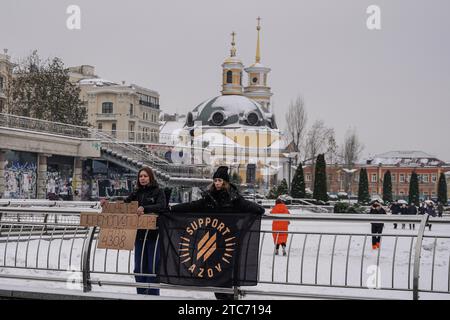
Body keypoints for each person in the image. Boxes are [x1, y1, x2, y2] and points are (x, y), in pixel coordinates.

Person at [170, 166, 265, 300]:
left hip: (229, 241)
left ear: (225, 182)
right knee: (214, 273)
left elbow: (247, 205)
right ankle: (222, 297)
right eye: (215, 180)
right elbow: (193, 206)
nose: (217, 183)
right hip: (212, 242)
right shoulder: (209, 198)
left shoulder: (234, 198)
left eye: (220, 180)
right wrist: (173, 209)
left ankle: (229, 299)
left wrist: (259, 209)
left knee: (226, 272)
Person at [101, 167, 167, 295]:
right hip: (139, 236)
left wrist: (145, 208)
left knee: (152, 268)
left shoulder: (159, 192)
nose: (142, 178)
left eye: (145, 176)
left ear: (151, 177)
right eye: (140, 176)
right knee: (139, 268)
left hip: (154, 236)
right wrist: (108, 204)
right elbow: (124, 204)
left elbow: (161, 206)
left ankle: (152, 296)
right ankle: (141, 295)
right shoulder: (136, 193)